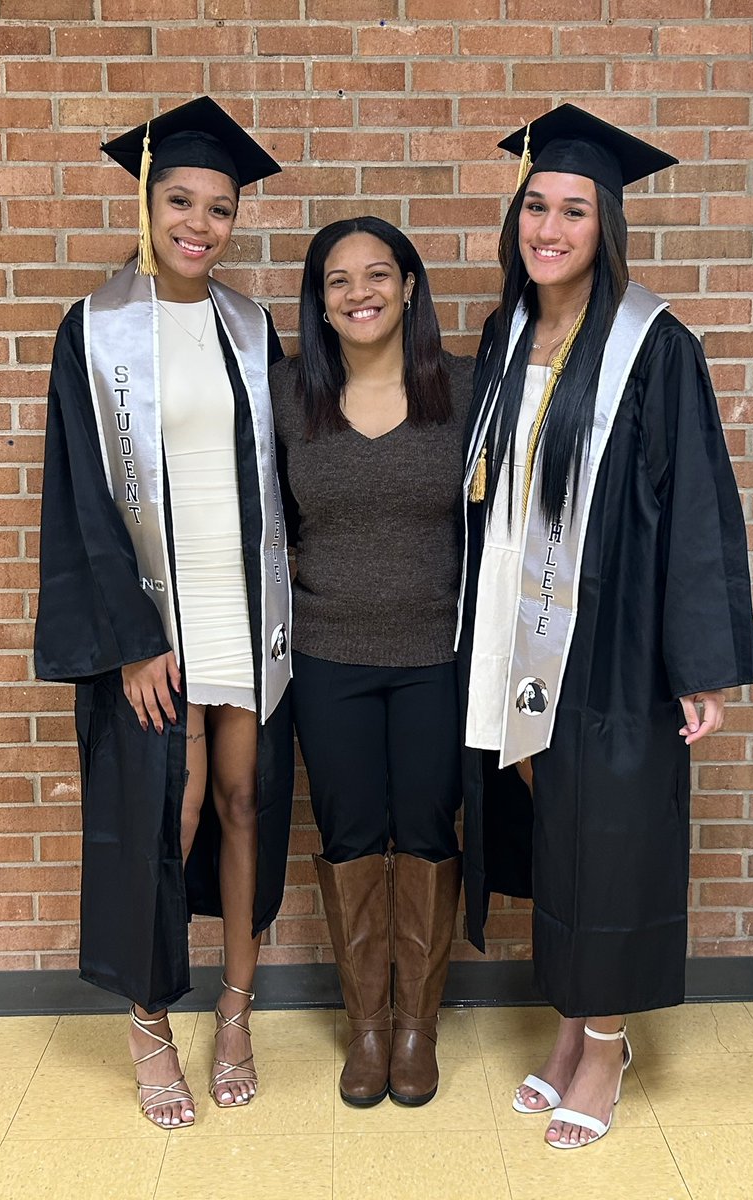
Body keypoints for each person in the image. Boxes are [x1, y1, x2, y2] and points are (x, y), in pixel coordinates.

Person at [457, 105, 753, 1148]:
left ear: (605, 224)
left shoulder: (654, 345)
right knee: (555, 824)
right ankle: (572, 1020)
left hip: (612, 627)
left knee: (611, 830)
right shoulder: (507, 332)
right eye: (536, 205)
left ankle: (604, 1044)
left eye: (572, 210)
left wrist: (699, 662)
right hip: (515, 621)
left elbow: (695, 504)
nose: (548, 226)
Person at [34, 97, 294, 1128]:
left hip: (243, 601)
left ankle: (234, 1011)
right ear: (147, 202)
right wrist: (135, 642)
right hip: (154, 613)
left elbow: (276, 472)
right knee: (166, 812)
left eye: (219, 208)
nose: (200, 222)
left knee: (241, 803)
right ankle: (149, 1027)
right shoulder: (92, 329)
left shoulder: (252, 323)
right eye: (180, 200)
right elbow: (80, 497)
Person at [270, 217, 473, 1107]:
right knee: (350, 832)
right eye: (338, 280)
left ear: (411, 287)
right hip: (327, 653)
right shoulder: (286, 397)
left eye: (378, 274)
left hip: (437, 652)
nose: (360, 292)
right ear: (319, 303)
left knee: (427, 832)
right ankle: (366, 1026)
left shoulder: (466, 392)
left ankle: (418, 1026)